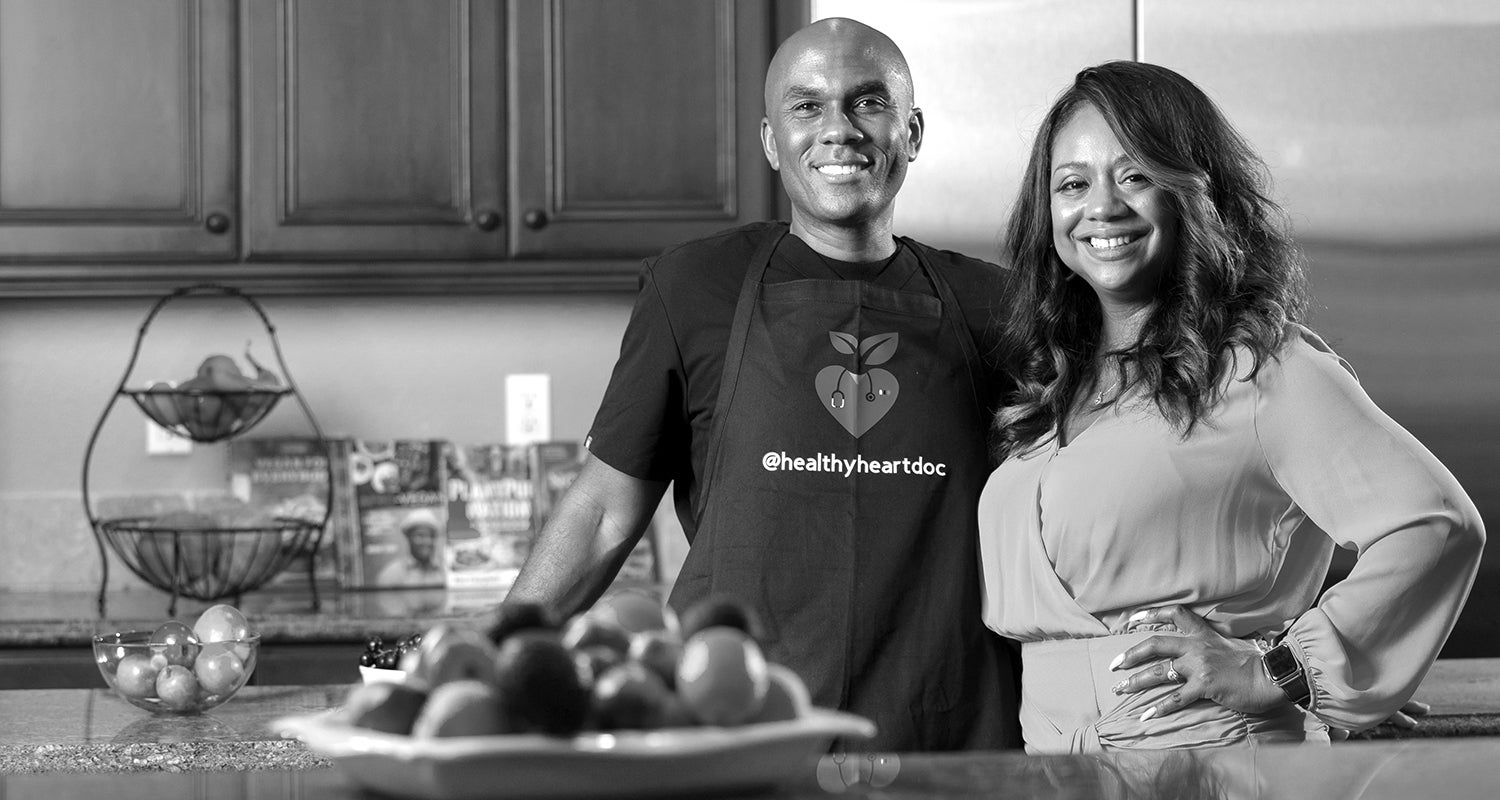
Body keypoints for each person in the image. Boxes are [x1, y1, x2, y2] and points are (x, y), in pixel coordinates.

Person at [505, 17, 1020, 751]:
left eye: (868, 103)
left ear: (912, 132)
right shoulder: (692, 287)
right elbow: (603, 513)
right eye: (806, 106)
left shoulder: (997, 307)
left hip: (944, 725)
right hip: (732, 722)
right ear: (772, 141)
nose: (838, 130)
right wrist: (490, 659)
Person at [977, 60, 1485, 753]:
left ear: (1193, 192)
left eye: (1135, 175)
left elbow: (1437, 524)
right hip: (1054, 767)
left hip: (1214, 762)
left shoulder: (1264, 371)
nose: (1101, 206)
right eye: (1073, 183)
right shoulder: (1053, 390)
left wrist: (1286, 671)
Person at [376, 508, 445, 587]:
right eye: (421, 535)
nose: (427, 541)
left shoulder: (445, 572)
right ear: (408, 537)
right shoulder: (391, 574)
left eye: (431, 536)